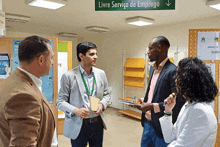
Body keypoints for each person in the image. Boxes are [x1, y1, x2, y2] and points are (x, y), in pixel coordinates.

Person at [0, 35, 55, 147]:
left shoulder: (12, 81)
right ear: (41, 60)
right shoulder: (23, 96)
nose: (53, 62)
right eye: (52, 58)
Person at [134, 36, 185, 147]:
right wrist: (143, 100)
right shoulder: (153, 69)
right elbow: (155, 92)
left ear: (160, 48)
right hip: (147, 123)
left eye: (150, 49)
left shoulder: (173, 71)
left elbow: (178, 101)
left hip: (162, 126)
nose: (148, 52)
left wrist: (152, 106)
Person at [56, 42, 110, 147]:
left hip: (97, 122)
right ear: (81, 56)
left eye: (96, 54)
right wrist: (75, 110)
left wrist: (102, 104)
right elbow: (60, 102)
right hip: (78, 124)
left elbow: (107, 94)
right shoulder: (68, 76)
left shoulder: (101, 74)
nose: (96, 57)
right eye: (92, 54)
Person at [159, 57, 218, 147]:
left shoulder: (199, 111)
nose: (175, 81)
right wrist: (167, 111)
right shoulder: (189, 104)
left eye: (178, 77)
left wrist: (175, 142)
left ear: (188, 82)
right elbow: (169, 137)